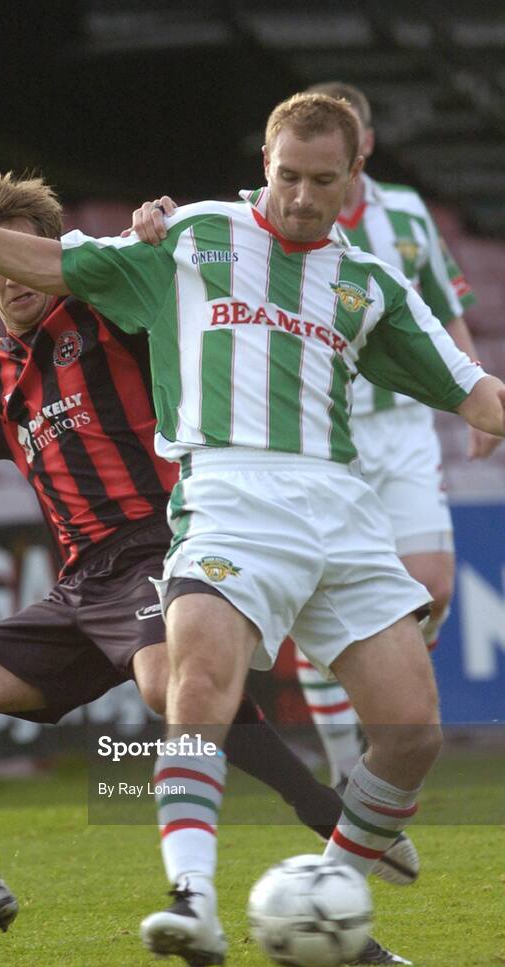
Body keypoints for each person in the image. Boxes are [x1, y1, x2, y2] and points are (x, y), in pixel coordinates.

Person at [0, 96, 505, 967]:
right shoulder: (193, 237)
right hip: (229, 490)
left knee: (410, 730)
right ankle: (192, 902)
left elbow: (478, 395)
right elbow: (51, 263)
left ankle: (327, 892)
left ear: (351, 177)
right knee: (196, 685)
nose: (300, 197)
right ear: (264, 158)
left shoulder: (372, 285)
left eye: (323, 181)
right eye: (287, 175)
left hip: (341, 503)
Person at [0, 169, 406, 967]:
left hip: (161, 545)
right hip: (79, 589)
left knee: (166, 683)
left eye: (16, 256)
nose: (5, 279)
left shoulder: (121, 311)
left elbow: (212, 277)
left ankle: (329, 820)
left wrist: (162, 229)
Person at [128, 81, 503, 791]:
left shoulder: (405, 219)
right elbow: (193, 257)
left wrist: (470, 387)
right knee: (311, 589)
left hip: (406, 424)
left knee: (431, 587)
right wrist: (154, 219)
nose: (304, 189)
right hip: (324, 428)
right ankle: (343, 755)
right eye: (291, 172)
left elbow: (440, 309)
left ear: (362, 152)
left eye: (349, 145)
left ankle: (371, 688)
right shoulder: (250, 214)